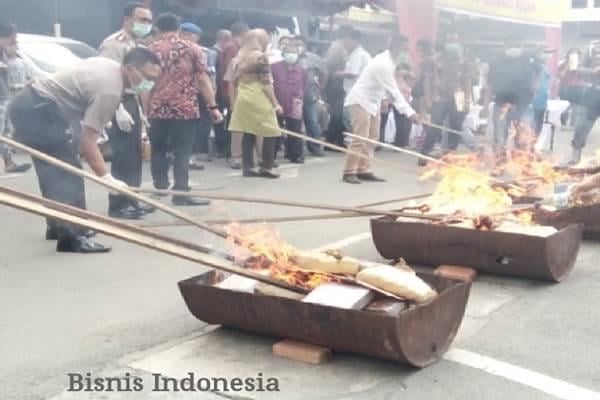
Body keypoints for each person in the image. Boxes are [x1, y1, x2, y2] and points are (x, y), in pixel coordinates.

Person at [9, 48, 161, 253]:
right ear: (130, 68)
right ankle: (72, 237)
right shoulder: (110, 91)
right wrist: (108, 180)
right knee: (67, 174)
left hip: (31, 103)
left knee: (52, 171)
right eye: (147, 77)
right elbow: (87, 142)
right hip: (39, 109)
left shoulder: (109, 65)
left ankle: (58, 226)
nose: (150, 83)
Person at [148, 14, 222, 206]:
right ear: (178, 28)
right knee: (182, 151)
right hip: (185, 108)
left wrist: (145, 109)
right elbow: (203, 79)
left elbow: (145, 83)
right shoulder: (192, 48)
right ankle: (180, 192)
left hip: (157, 108)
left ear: (158, 29)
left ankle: (160, 185)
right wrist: (213, 106)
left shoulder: (149, 49)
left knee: (158, 148)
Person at [98, 1, 154, 220]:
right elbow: (105, 75)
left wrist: (140, 110)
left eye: (149, 21)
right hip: (118, 101)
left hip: (132, 101)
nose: (146, 24)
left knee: (134, 156)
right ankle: (119, 205)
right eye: (142, 20)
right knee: (122, 156)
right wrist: (118, 106)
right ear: (127, 20)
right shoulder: (115, 43)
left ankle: (132, 199)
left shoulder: (137, 45)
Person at [342, 35, 419, 184]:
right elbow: (394, 91)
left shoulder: (392, 62)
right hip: (360, 101)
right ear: (395, 48)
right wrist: (410, 113)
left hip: (373, 101)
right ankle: (349, 171)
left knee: (372, 138)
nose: (406, 53)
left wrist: (384, 100)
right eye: (404, 49)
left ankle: (363, 169)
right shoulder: (382, 63)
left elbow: (386, 88)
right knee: (360, 138)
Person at [228, 29, 282, 179]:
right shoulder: (261, 57)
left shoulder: (239, 57)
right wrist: (275, 103)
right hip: (258, 97)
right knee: (271, 131)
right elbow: (266, 84)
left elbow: (233, 81)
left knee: (248, 130)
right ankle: (267, 167)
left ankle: (248, 167)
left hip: (243, 96)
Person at [419, 33, 474, 164]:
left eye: (455, 41)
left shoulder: (464, 61)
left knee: (456, 128)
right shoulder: (434, 60)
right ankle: (424, 154)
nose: (452, 44)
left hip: (459, 96)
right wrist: (428, 98)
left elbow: (467, 81)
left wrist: (467, 100)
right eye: (450, 41)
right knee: (434, 127)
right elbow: (427, 80)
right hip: (440, 96)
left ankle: (450, 155)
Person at [217, 21, 249, 169]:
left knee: (232, 123)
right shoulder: (233, 48)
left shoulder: (229, 46)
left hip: (229, 90)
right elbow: (232, 74)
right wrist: (232, 100)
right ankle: (232, 154)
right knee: (233, 123)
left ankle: (230, 153)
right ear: (244, 33)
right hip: (231, 91)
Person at [181, 22, 212, 171]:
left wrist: (212, 97)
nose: (185, 37)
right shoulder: (173, 50)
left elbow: (208, 76)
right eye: (183, 34)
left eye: (189, 34)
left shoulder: (204, 52)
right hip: (180, 94)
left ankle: (190, 156)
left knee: (197, 127)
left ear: (197, 37)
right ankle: (179, 156)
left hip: (199, 94)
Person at [0, 23, 31, 173]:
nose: (15, 39)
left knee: (6, 130)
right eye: (14, 35)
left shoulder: (5, 51)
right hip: (1, 96)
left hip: (5, 95)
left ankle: (8, 162)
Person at [293, 36, 328, 157]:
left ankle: (315, 147)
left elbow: (324, 73)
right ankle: (295, 150)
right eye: (295, 44)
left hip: (310, 95)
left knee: (312, 122)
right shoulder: (290, 58)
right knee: (295, 123)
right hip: (294, 97)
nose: (298, 47)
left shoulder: (314, 58)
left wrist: (320, 89)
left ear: (305, 45)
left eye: (300, 45)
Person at [272, 44, 307, 163]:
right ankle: (271, 156)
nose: (291, 55)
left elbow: (304, 84)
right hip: (277, 102)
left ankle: (295, 154)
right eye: (288, 52)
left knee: (295, 130)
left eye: (294, 52)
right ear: (283, 54)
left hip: (295, 103)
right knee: (275, 130)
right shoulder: (274, 67)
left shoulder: (301, 70)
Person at [211, 29, 232, 158]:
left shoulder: (221, 53)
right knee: (218, 121)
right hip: (217, 92)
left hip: (221, 91)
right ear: (224, 39)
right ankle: (220, 148)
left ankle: (223, 147)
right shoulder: (214, 53)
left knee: (222, 120)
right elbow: (212, 74)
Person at [324, 37, 347, 147]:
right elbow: (327, 74)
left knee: (339, 115)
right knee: (337, 115)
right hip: (334, 90)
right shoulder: (332, 60)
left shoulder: (344, 60)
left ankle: (335, 139)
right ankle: (333, 140)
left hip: (340, 89)